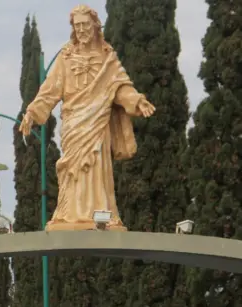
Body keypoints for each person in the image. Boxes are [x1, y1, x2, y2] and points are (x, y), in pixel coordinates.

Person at [19, 4, 156, 231]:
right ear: (73, 28)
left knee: (96, 170)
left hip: (97, 124)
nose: (81, 29)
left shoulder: (107, 57)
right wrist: (32, 112)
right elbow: (50, 90)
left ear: (95, 25)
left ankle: (100, 214)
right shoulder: (65, 57)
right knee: (72, 168)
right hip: (74, 124)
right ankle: (69, 213)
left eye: (85, 24)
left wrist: (136, 100)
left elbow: (120, 87)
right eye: (77, 25)